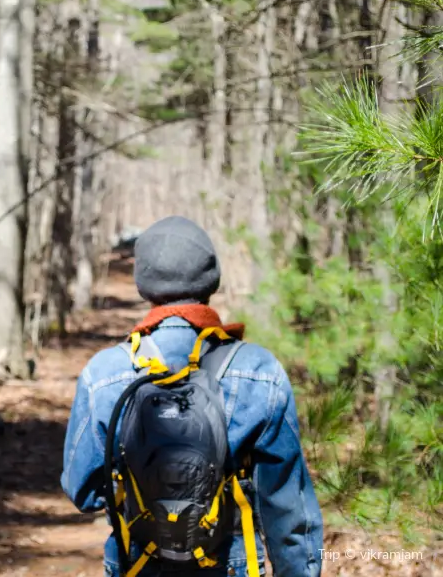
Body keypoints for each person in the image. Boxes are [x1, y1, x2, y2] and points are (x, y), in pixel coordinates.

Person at [61, 215, 323, 577]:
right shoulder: (258, 370)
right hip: (230, 565)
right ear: (211, 282)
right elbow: (286, 507)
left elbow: (84, 492)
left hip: (135, 564)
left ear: (143, 284)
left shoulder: (104, 373)